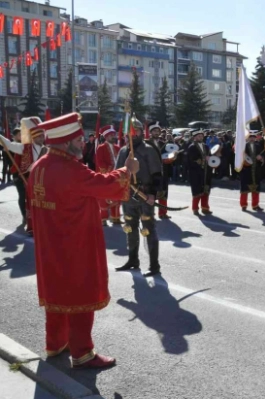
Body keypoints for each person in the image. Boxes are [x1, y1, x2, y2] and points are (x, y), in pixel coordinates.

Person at [31, 112, 139, 369]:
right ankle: (82, 353)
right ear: (65, 142)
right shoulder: (69, 168)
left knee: (57, 294)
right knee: (79, 295)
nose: (83, 143)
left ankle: (55, 343)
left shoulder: (39, 167)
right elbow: (100, 184)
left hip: (49, 245)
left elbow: (74, 196)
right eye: (78, 140)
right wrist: (127, 170)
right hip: (74, 244)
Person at [115, 120, 164, 277]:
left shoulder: (149, 150)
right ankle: (132, 260)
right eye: (131, 131)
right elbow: (117, 174)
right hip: (128, 195)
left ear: (141, 132)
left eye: (136, 130)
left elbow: (157, 174)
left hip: (144, 194)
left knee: (148, 229)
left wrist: (152, 194)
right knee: (130, 227)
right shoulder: (123, 151)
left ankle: (154, 265)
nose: (133, 134)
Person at [0, 117, 45, 236]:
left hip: (44, 182)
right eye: (39, 136)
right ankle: (32, 227)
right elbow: (9, 145)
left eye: (42, 136)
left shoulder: (47, 149)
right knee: (31, 204)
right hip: (30, 181)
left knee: (44, 206)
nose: (42, 138)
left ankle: (43, 226)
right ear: (33, 137)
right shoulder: (24, 148)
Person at [94, 125, 122, 226]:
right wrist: (110, 170)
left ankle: (116, 217)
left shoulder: (118, 148)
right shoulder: (100, 148)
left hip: (117, 176)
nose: (113, 137)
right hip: (105, 177)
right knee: (104, 198)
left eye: (114, 135)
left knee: (117, 196)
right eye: (111, 135)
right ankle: (103, 218)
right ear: (106, 137)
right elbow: (100, 163)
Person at [145, 122, 171, 219]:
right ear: (151, 132)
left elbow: (167, 156)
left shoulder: (163, 143)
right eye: (155, 131)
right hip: (151, 172)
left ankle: (163, 213)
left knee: (163, 192)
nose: (157, 132)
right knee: (151, 193)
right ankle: (149, 214)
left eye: (158, 131)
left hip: (163, 171)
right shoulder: (146, 143)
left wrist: (171, 158)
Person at [187, 130, 214, 216]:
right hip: (196, 172)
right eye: (198, 136)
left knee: (206, 190)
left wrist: (211, 161)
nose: (200, 137)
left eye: (201, 136)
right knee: (197, 191)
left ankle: (205, 208)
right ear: (194, 137)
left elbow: (209, 156)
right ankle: (195, 208)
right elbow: (191, 159)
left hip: (206, 171)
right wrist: (203, 160)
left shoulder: (206, 146)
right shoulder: (192, 147)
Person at [240, 131, 265, 212]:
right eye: (250, 137)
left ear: (255, 138)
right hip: (246, 170)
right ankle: (243, 205)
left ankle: (255, 205)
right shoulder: (243, 146)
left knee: (256, 188)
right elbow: (238, 157)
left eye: (253, 137)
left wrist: (261, 157)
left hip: (256, 170)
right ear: (248, 137)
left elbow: (264, 156)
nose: (252, 138)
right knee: (245, 188)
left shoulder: (258, 146)